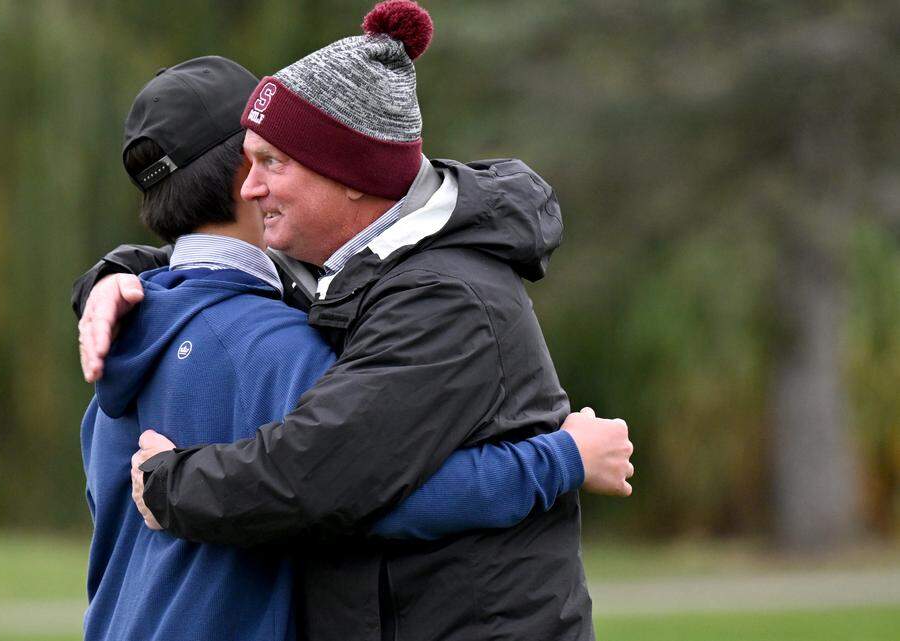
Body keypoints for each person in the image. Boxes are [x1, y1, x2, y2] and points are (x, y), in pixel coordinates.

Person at [77, 2, 633, 639]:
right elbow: (374, 496)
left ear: (348, 176)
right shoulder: (290, 314)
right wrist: (563, 458)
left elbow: (329, 480)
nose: (254, 188)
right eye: (249, 164)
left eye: (273, 163)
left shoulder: (438, 299)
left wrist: (170, 482)